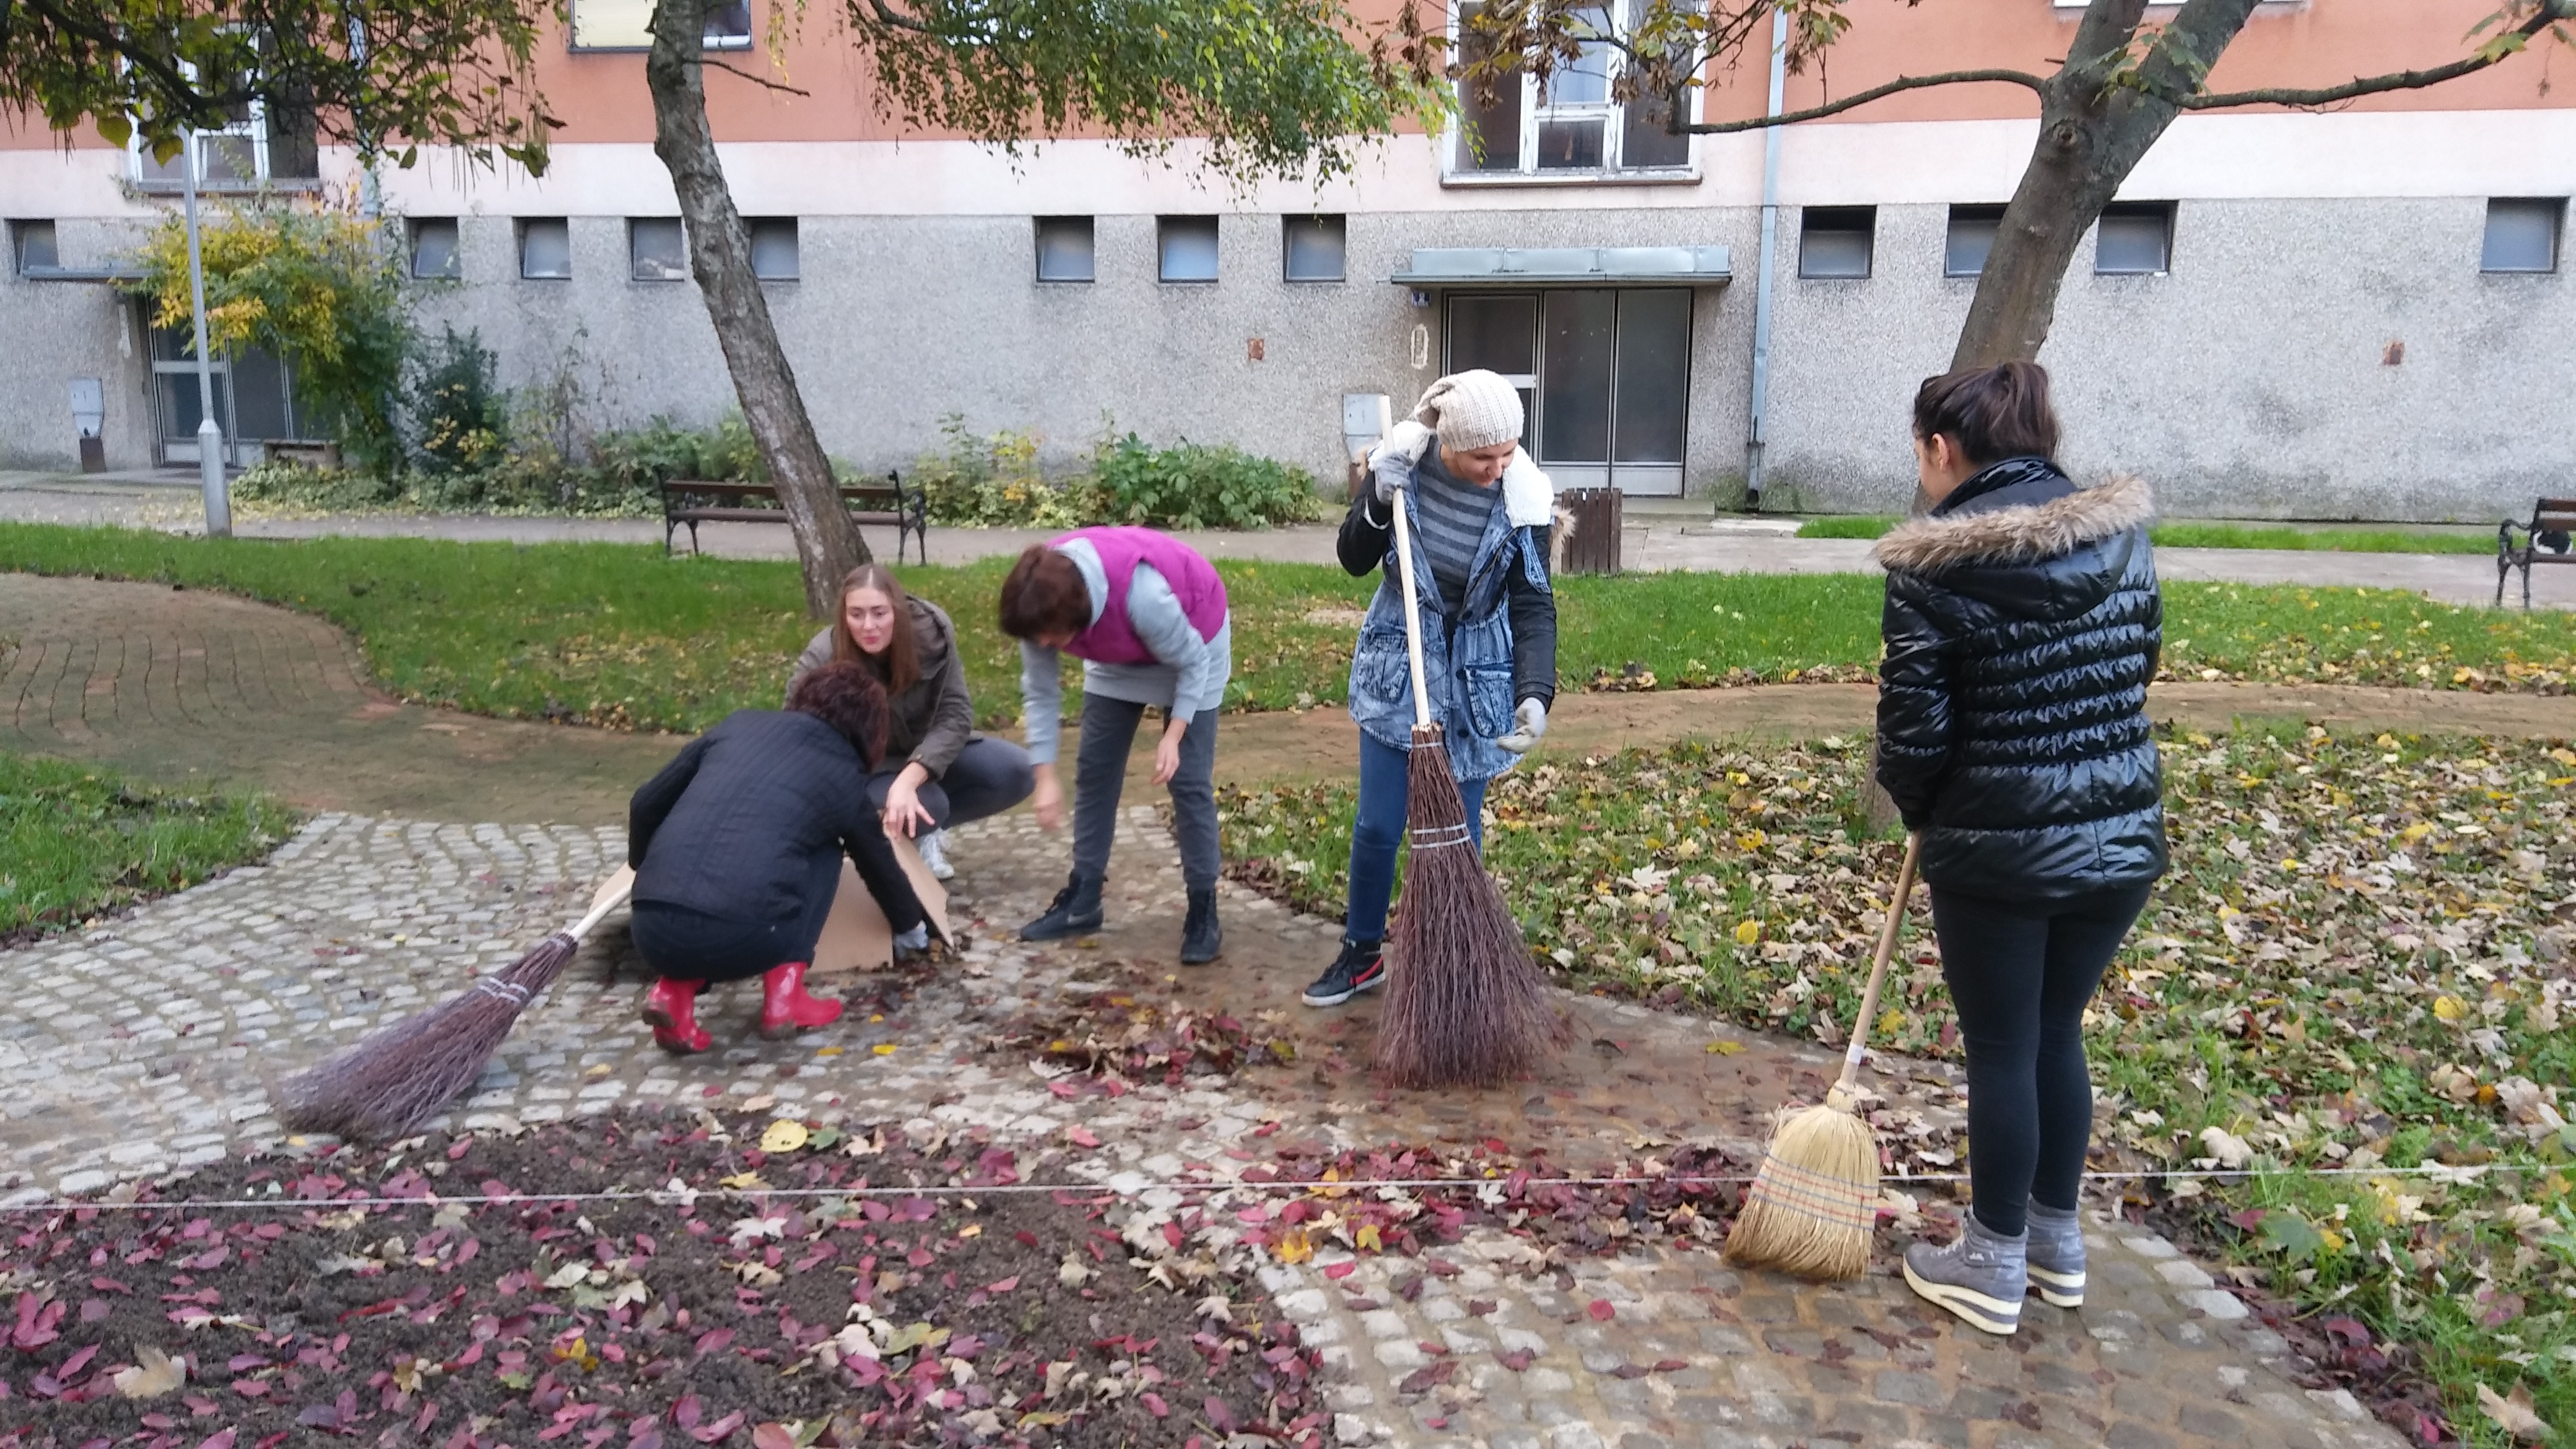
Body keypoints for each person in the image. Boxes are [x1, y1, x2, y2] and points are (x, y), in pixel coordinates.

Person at [1871, 360, 2165, 1336]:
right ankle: (2054, 1246)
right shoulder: (2122, 538)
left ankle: (1992, 1262)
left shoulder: (1932, 566)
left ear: (1941, 449)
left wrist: (1922, 808)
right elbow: (2141, 662)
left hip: (1998, 847)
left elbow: (1914, 733)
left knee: (2003, 1048)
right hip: (2119, 839)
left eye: (1921, 453)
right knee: (2054, 1032)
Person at [1302, 369, 1558, 1008]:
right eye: (1483, 457)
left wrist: (1534, 692)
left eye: (1507, 453)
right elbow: (1353, 558)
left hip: (1475, 681)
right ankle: (1362, 954)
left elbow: (1533, 605)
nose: (1498, 469)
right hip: (1401, 665)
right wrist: (1373, 499)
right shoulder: (1403, 468)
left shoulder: (1524, 500)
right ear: (1449, 442)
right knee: (1378, 825)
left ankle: (1454, 969)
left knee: (1456, 835)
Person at [625, 662, 930, 1053]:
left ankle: (672, 994)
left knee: (708, 898)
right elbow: (877, 861)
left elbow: (645, 804)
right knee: (827, 849)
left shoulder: (738, 725)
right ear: (871, 729)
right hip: (748, 937)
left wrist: (644, 869)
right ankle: (785, 999)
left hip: (650, 931)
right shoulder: (842, 773)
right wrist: (911, 927)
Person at [997, 527, 1230, 964]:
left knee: (1188, 780)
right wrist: (1044, 776)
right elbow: (1041, 694)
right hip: (1118, 652)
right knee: (1095, 770)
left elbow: (1194, 662)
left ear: (1076, 612)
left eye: (1049, 636)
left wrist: (1173, 735)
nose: (1043, 646)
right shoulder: (1038, 608)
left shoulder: (1144, 597)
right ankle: (1083, 900)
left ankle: (1204, 908)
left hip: (1195, 638)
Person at [788, 564, 1036, 882]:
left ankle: (925, 830)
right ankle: (896, 836)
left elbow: (956, 712)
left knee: (1018, 770)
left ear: (897, 610)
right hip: (868, 768)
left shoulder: (933, 635)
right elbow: (794, 727)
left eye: (879, 613)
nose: (868, 626)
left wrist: (910, 778)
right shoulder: (824, 654)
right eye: (856, 615)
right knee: (931, 806)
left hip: (925, 748)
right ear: (843, 616)